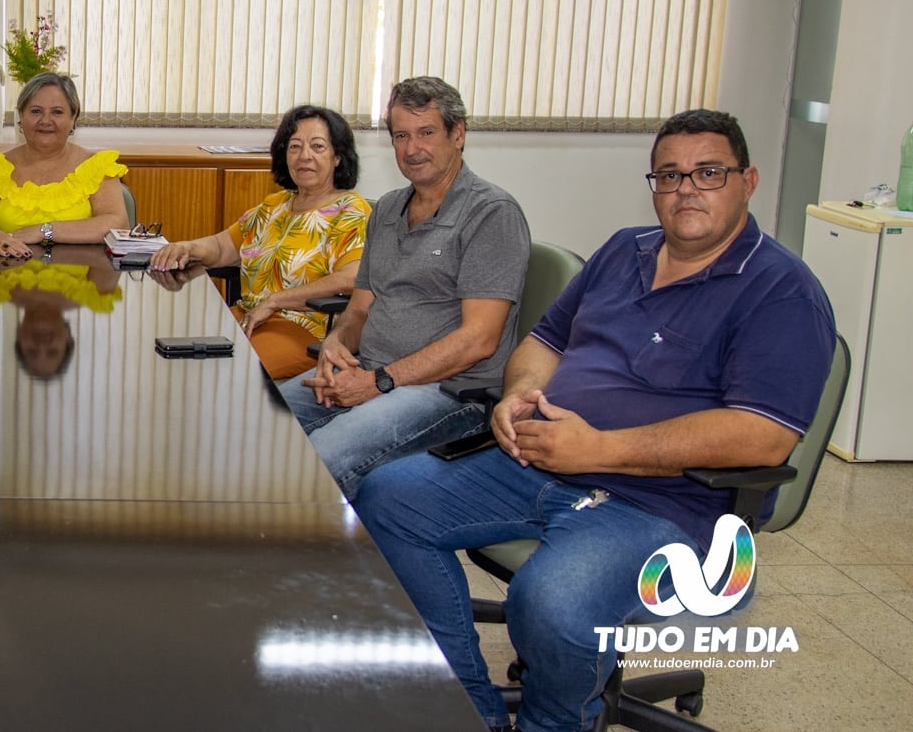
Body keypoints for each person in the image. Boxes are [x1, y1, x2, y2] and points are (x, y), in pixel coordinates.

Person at [352, 110, 836, 732]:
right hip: (541, 459)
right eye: (670, 175)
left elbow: (761, 435)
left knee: (550, 601)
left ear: (749, 181)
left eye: (708, 173)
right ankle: (469, 711)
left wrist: (597, 450)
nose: (686, 188)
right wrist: (519, 395)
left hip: (667, 504)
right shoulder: (623, 250)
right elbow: (542, 342)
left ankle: (558, 721)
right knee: (386, 498)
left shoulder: (781, 290)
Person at [275, 76, 529, 497]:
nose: (412, 149)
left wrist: (378, 383)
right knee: (256, 426)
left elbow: (478, 341)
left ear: (458, 133)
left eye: (427, 133)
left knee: (318, 463)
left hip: (447, 394)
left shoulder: (491, 213)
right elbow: (358, 310)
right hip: (372, 373)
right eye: (401, 136)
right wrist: (338, 344)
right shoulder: (389, 208)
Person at [149, 105, 370, 379]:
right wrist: (187, 247)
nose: (305, 156)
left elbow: (351, 279)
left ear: (337, 156)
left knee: (221, 375)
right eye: (295, 147)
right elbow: (221, 248)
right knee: (167, 350)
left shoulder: (350, 211)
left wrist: (276, 301)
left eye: (318, 147)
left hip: (304, 328)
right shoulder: (274, 206)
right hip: (248, 317)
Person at [0, 73, 130, 257]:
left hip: (80, 279)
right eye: (36, 111)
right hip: (8, 277)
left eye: (57, 112)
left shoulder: (96, 167)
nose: (46, 121)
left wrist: (45, 231)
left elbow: (117, 223)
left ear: (74, 117)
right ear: (21, 116)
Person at [0, 243, 124, 378]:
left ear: (19, 338)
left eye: (32, 351)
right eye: (52, 351)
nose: (42, 344)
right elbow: (112, 241)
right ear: (68, 339)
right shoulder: (96, 292)